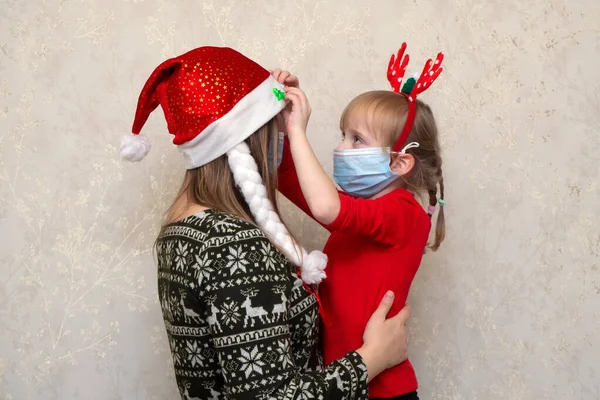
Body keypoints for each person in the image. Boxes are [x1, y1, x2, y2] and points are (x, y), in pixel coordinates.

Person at [120, 46, 412, 400]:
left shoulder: (184, 230)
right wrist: (371, 360)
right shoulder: (231, 245)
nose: (281, 139)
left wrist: (279, 117)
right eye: (274, 130)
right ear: (253, 140)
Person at [273, 42, 446, 399]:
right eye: (343, 135)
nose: (341, 148)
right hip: (346, 382)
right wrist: (279, 118)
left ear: (399, 163)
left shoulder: (404, 215)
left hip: (383, 392)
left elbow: (325, 207)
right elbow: (288, 176)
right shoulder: (361, 211)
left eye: (356, 140)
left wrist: (298, 132)